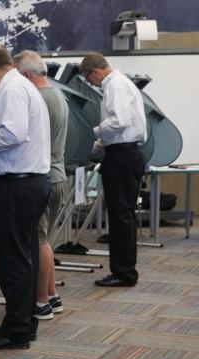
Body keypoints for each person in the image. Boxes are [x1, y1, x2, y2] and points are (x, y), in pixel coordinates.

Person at [0, 44, 51, 350]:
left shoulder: (11, 90)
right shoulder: (22, 85)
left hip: (15, 187)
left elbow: (12, 134)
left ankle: (16, 329)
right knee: (24, 258)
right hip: (26, 185)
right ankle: (23, 323)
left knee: (12, 261)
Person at [79, 53, 147, 287]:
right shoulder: (121, 83)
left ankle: (124, 273)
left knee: (120, 217)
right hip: (125, 154)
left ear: (95, 71)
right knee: (122, 217)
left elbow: (120, 121)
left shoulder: (115, 85)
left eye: (90, 79)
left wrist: (93, 132)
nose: (91, 83)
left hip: (122, 157)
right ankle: (124, 271)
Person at [13, 50, 69, 318]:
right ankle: (52, 297)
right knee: (44, 240)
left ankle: (41, 302)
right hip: (58, 175)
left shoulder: (39, 98)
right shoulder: (56, 93)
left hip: (46, 177)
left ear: (25, 74)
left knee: (39, 241)